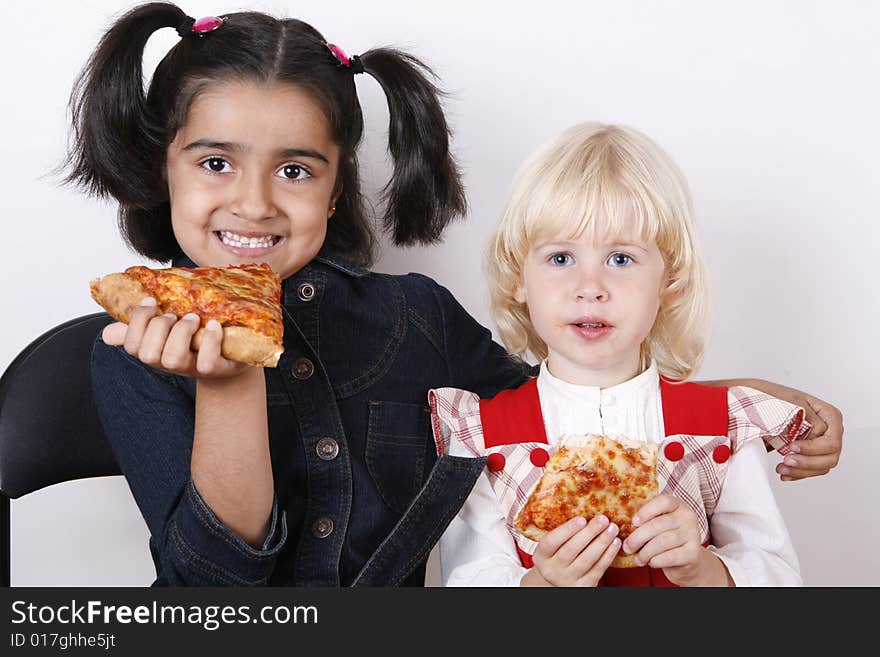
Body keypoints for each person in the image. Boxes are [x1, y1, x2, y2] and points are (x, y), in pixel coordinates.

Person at [67, 3, 840, 586]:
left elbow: (565, 406)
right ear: (162, 167)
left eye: (296, 169)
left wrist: (755, 407)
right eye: (214, 163)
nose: (255, 201)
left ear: (338, 190)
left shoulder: (417, 319)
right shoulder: (132, 354)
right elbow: (215, 592)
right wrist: (230, 379)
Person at [434, 123, 806, 586]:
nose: (590, 288)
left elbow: (780, 576)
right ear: (517, 277)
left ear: (670, 283)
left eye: (621, 259)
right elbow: (468, 582)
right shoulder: (482, 438)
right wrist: (542, 585)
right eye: (561, 259)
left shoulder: (722, 428)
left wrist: (702, 570)